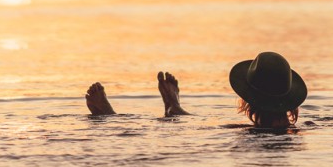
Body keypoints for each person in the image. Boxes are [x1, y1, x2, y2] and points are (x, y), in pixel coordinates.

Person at [85, 51, 307, 129]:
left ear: (246, 99)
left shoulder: (244, 133)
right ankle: (173, 107)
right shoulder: (303, 132)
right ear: (292, 100)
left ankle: (110, 117)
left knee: (190, 121)